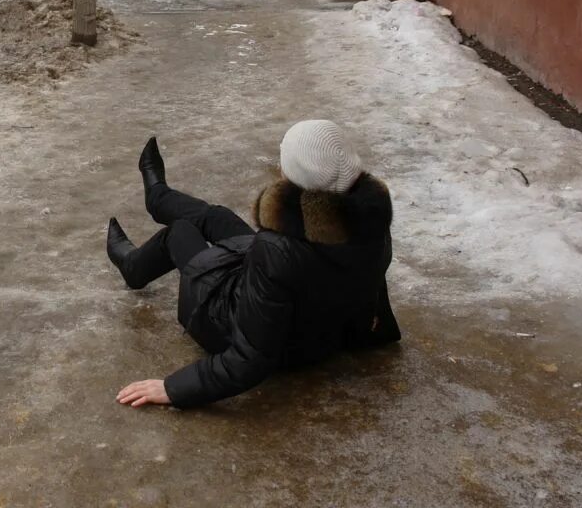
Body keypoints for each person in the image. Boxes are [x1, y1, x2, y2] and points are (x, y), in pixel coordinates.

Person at [107, 122, 401, 410]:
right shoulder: (370, 223)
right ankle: (158, 197)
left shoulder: (276, 250)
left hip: (236, 325)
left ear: (300, 178)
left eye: (286, 163)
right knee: (218, 217)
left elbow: (251, 356)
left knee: (180, 232)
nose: (281, 168)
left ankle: (132, 267)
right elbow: (366, 278)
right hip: (307, 318)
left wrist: (172, 388)